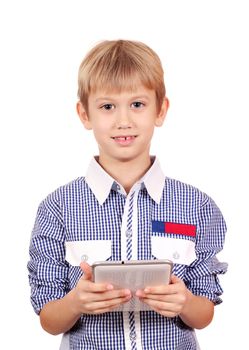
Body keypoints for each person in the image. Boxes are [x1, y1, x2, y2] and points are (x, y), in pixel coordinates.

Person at [28, 40, 227, 350]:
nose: (124, 120)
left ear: (160, 110)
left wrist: (185, 302)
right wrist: (75, 303)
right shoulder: (57, 208)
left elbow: (205, 312)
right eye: (108, 106)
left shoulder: (197, 206)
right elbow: (48, 319)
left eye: (137, 104)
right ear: (85, 114)